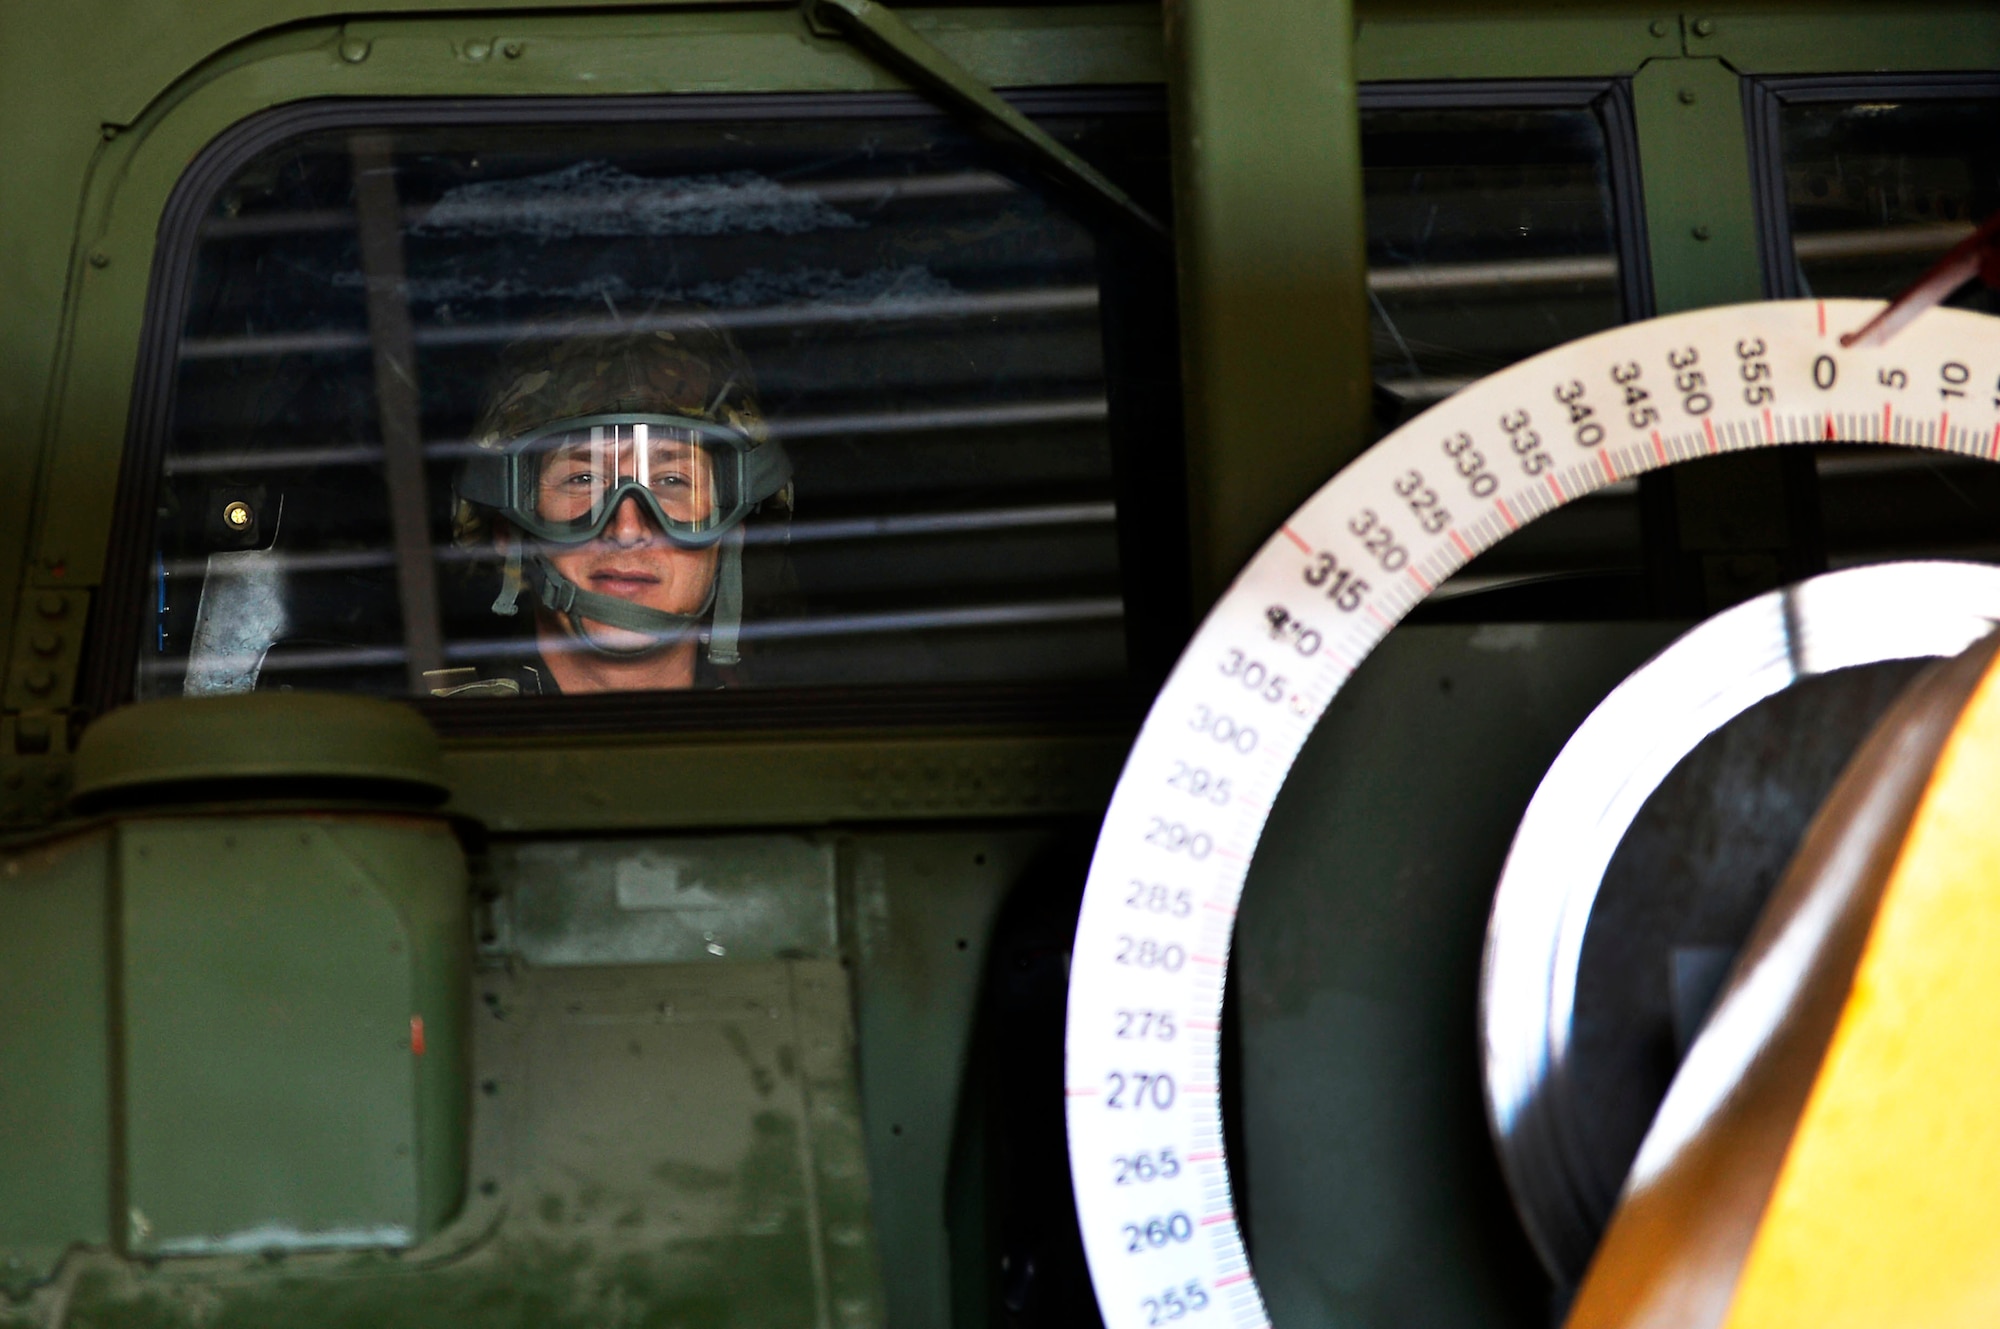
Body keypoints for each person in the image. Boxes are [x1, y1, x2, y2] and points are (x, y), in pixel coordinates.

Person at [440, 323, 791, 695]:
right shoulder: (446, 737)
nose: (626, 530)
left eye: (671, 481)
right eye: (583, 479)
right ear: (509, 534)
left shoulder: (792, 735)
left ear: (730, 530)